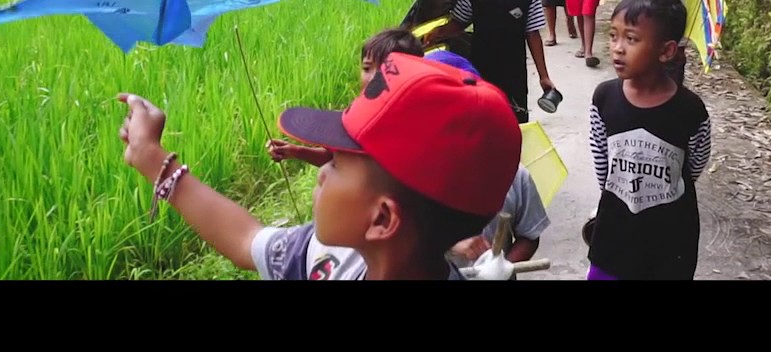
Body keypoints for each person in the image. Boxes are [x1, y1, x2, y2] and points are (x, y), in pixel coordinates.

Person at [116, 51, 522, 281]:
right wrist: (154, 160)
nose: (321, 171)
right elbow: (246, 240)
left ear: (382, 219)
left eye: (337, 163)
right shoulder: (330, 256)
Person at [585, 0, 712, 280]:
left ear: (666, 51)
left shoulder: (690, 110)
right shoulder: (604, 99)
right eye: (614, 36)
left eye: (631, 39)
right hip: (614, 233)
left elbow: (694, 165)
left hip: (671, 239)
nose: (617, 48)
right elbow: (602, 163)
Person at [427, 50, 551, 266]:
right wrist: (447, 242)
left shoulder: (513, 174)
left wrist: (503, 267)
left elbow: (529, 236)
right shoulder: (407, 179)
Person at [427, 0, 555, 123]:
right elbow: (458, 24)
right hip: (480, 71)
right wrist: (435, 33)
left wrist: (544, 76)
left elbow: (533, 35)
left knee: (514, 123)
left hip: (515, 74)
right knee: (482, 123)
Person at [266, 28, 422, 167]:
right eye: (367, 68)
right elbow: (336, 156)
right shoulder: (357, 114)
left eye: (384, 69)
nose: (373, 77)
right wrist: (296, 151)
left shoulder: (412, 128)